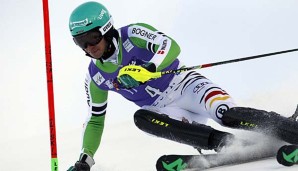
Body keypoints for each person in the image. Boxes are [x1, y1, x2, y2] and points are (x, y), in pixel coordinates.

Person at [67, 1, 298, 171]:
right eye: (81, 42)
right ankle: (227, 145)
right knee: (142, 118)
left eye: (93, 37)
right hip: (166, 109)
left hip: (187, 86)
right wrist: (85, 159)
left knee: (226, 114)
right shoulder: (95, 77)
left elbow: (170, 45)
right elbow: (95, 120)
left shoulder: (133, 34)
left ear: (107, 29)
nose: (89, 47)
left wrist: (149, 68)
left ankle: (289, 129)